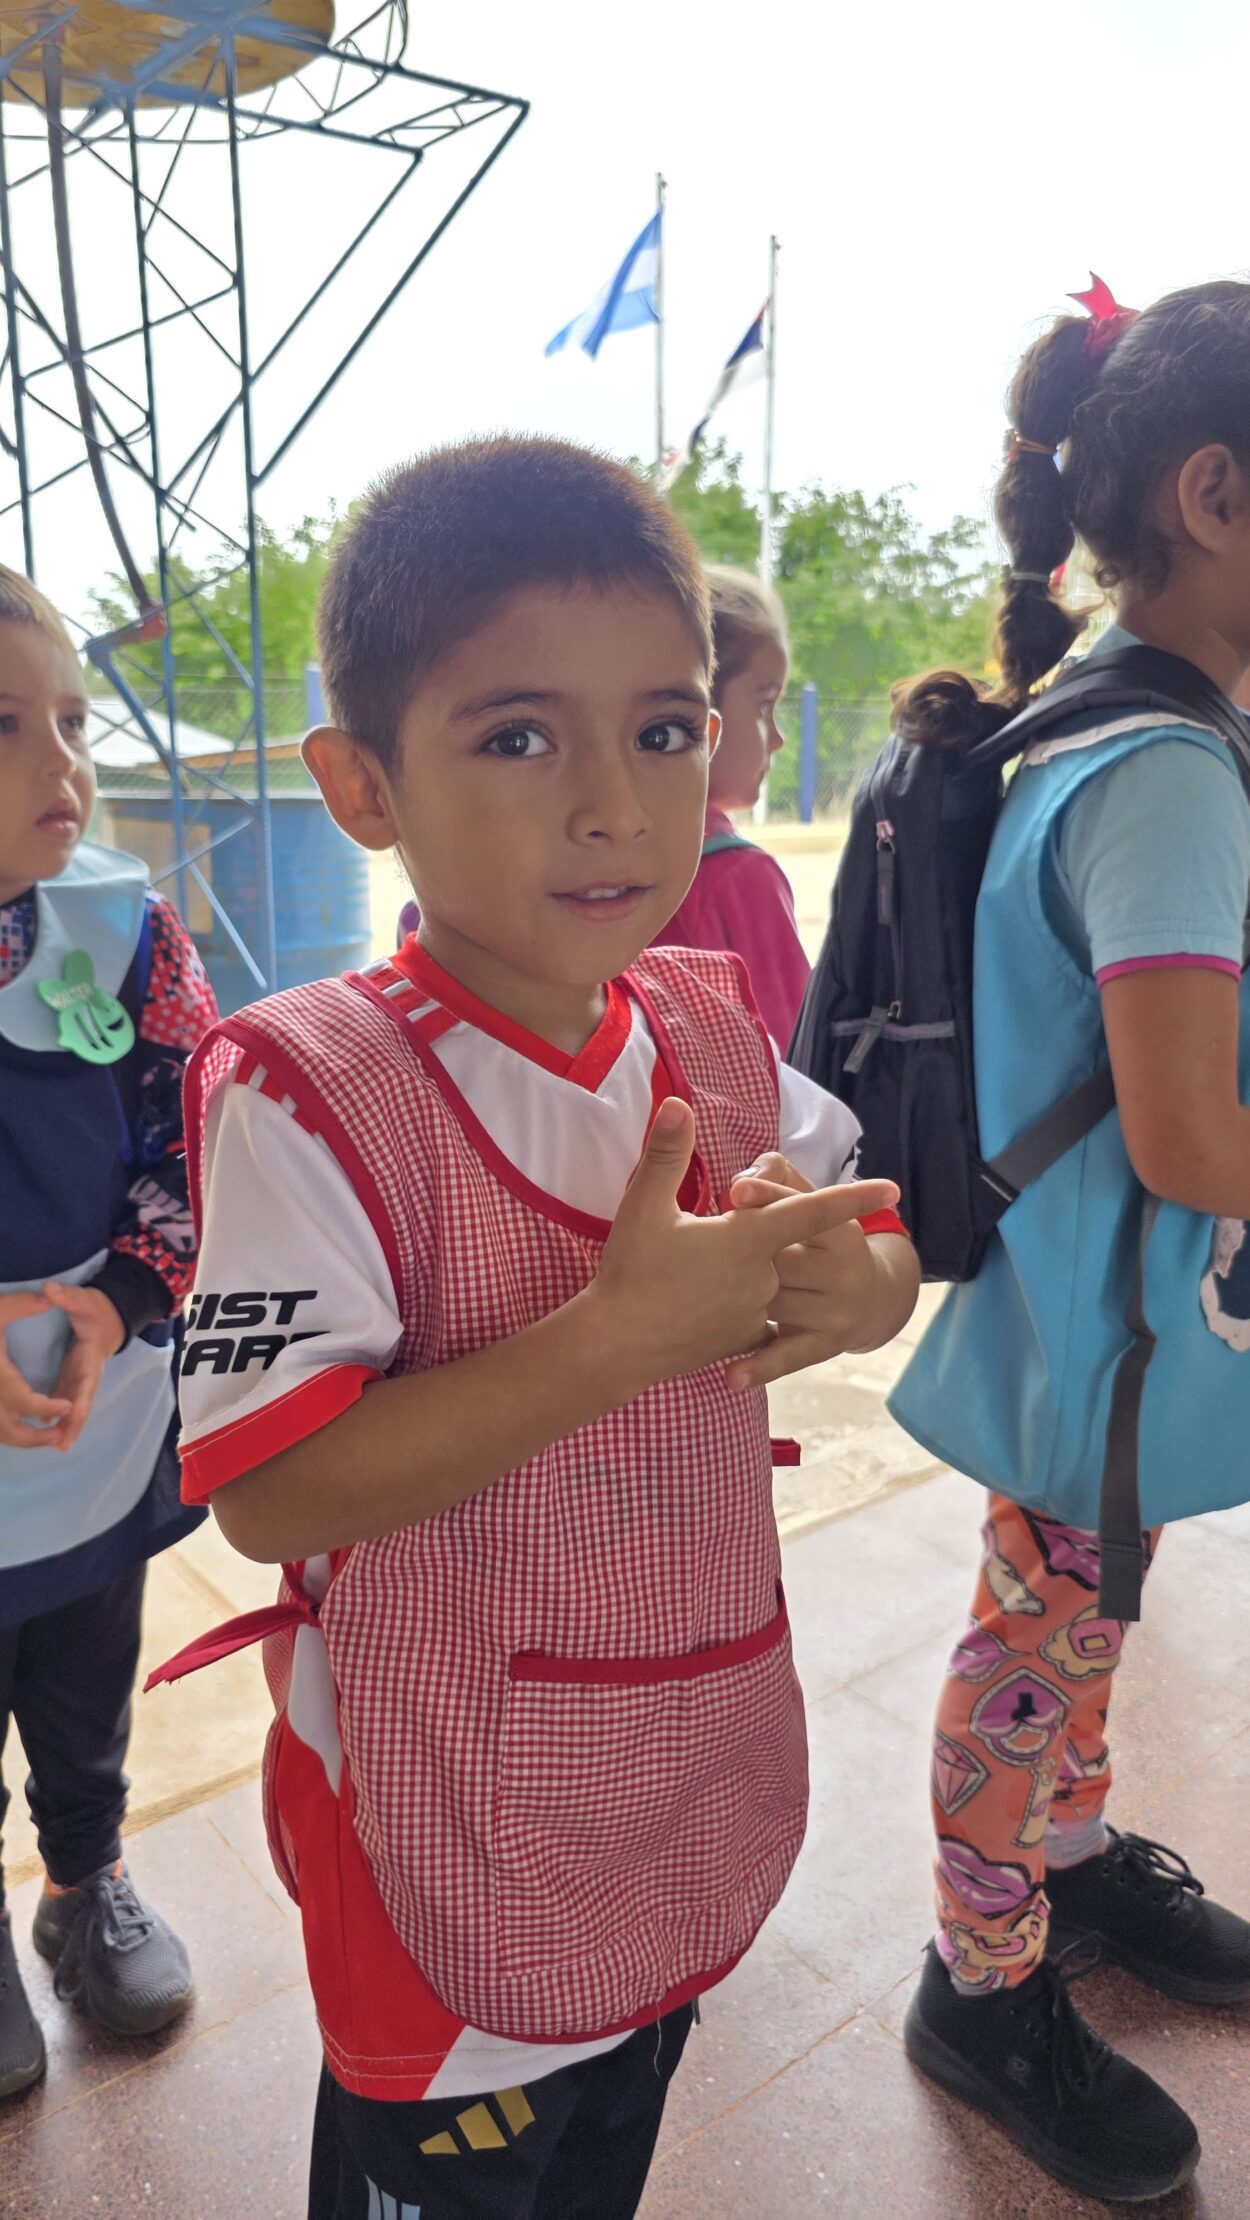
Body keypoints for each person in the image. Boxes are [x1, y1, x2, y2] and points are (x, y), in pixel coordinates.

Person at [157, 438, 919, 2220]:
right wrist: (616, 1338)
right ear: (361, 784)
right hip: (443, 1813)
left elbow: (865, 1230)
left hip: (682, 1749)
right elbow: (274, 1498)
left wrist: (855, 1289)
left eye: (664, 730)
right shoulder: (307, 1089)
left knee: (604, 2154)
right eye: (518, 736)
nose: (614, 805)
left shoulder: (703, 1032)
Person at [890, 281, 1250, 2203]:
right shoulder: (1171, 768)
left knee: (1076, 1626)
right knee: (1036, 1639)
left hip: (1094, 1311)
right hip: (1102, 1325)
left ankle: (1076, 1869)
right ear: (1214, 491)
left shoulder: (1108, 724)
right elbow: (1190, 1124)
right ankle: (983, 1979)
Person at [0, 568, 216, 2099]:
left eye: (68, 722)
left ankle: (83, 1885)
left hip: (94, 1405)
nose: (61, 767)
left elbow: (197, 1136)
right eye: (5, 727)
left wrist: (124, 1297)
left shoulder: (124, 934)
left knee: (86, 1673)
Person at [654, 563, 809, 1046]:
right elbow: (793, 1066)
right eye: (764, 704)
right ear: (701, 714)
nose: (778, 738)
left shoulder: (589, 855)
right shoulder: (739, 879)